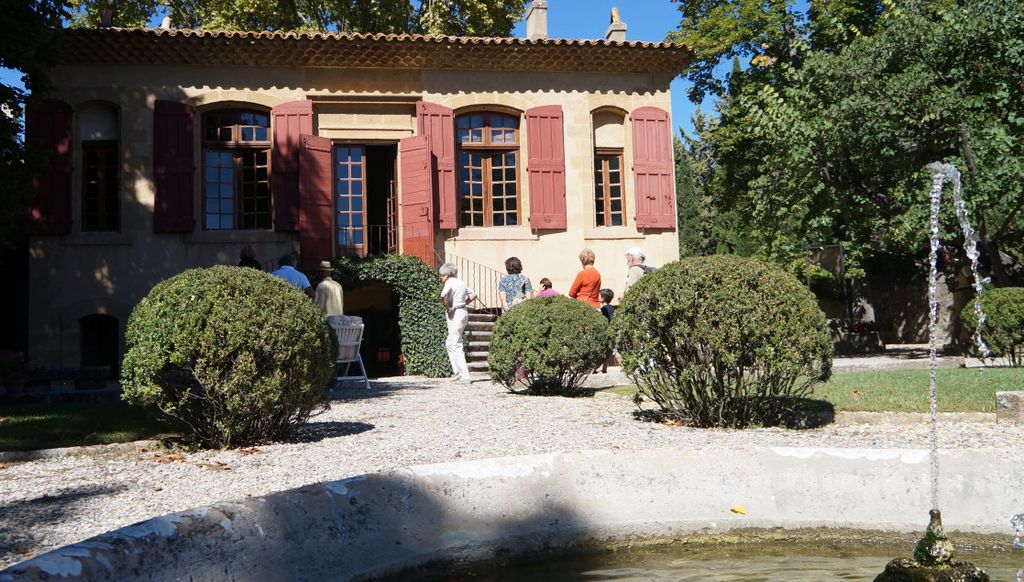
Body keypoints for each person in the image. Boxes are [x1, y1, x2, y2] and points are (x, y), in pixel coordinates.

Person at [439, 263, 477, 383]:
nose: (441, 277)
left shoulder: (449, 282)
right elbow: (473, 295)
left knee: (455, 344)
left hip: (455, 314)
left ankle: (465, 376)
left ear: (448, 274)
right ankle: (458, 372)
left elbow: (442, 295)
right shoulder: (461, 282)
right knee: (449, 343)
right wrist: (463, 303)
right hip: (463, 312)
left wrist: (448, 308)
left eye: (442, 275)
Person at [596, 288, 617, 373]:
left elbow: (603, 321)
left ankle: (595, 368)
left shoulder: (604, 309)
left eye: (599, 296)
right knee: (609, 350)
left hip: (606, 332)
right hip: (612, 331)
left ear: (603, 298)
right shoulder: (612, 308)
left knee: (606, 351)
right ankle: (604, 368)